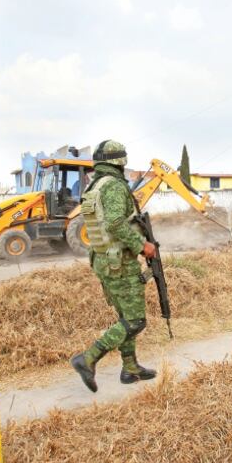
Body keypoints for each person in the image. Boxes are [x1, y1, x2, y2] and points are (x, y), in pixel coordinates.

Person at [71, 139, 158, 392]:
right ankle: (88, 358)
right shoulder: (114, 186)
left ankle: (130, 368)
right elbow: (115, 223)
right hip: (120, 263)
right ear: (120, 161)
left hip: (104, 260)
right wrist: (142, 245)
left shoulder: (95, 185)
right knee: (135, 321)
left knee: (125, 317)